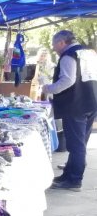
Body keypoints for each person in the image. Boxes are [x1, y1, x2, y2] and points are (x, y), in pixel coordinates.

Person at [42, 30, 97, 191]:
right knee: (80, 143)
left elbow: (67, 80)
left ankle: (74, 180)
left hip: (76, 105)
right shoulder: (88, 53)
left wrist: (49, 88)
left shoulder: (68, 56)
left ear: (61, 42)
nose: (53, 49)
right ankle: (69, 174)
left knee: (76, 145)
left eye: (54, 45)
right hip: (90, 102)